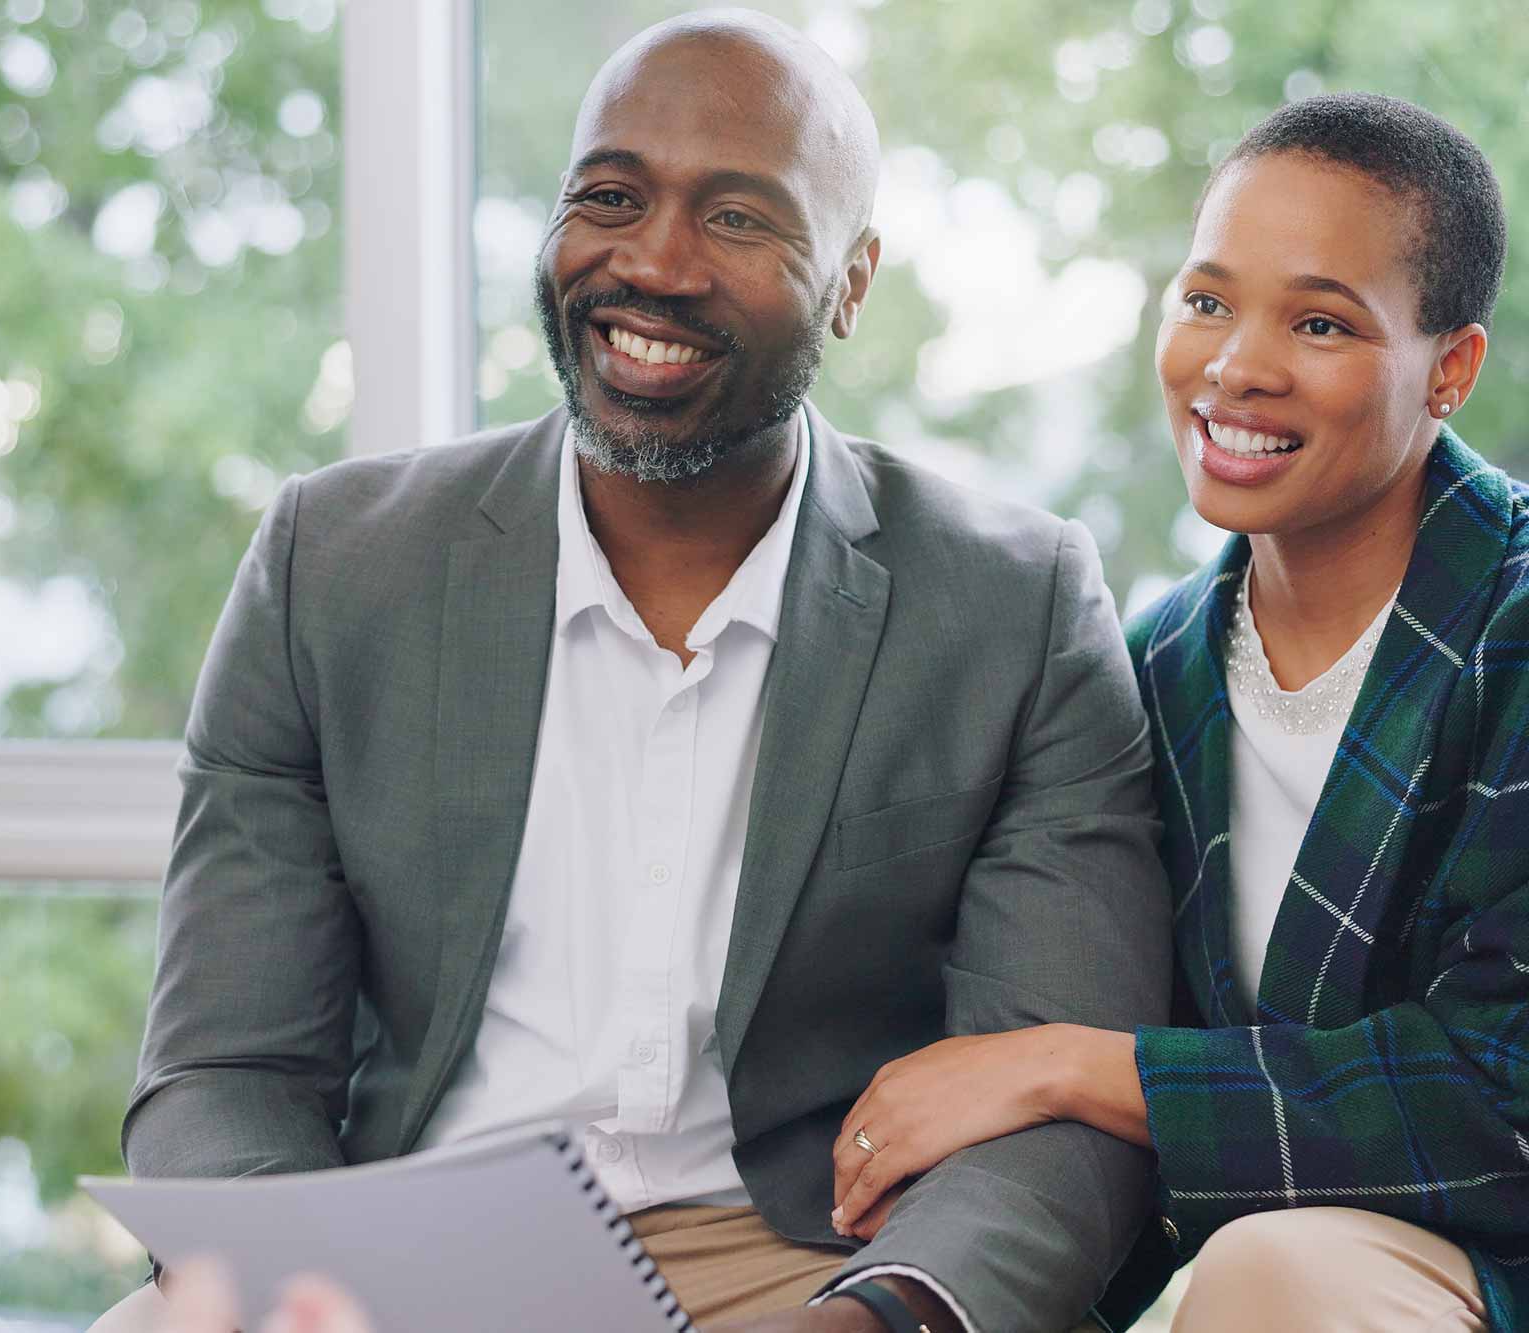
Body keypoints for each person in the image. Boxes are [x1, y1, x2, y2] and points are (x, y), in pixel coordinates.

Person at [113, 10, 1172, 1332]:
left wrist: (875, 1320)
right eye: (609, 197)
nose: (654, 262)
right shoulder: (331, 566)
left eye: (738, 218)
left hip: (810, 1265)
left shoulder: (1014, 607)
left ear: (850, 282)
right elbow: (225, 1067)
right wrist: (297, 1288)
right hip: (403, 1251)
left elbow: (1055, 1118)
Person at [825, 93, 1525, 1332]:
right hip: (1231, 1266)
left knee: (1274, 1271)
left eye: (1317, 321)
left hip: (1469, 1258)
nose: (1236, 364)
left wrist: (1064, 1063)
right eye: (1205, 300)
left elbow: (1498, 1088)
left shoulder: (1509, 630)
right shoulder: (1149, 668)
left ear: (1450, 368)